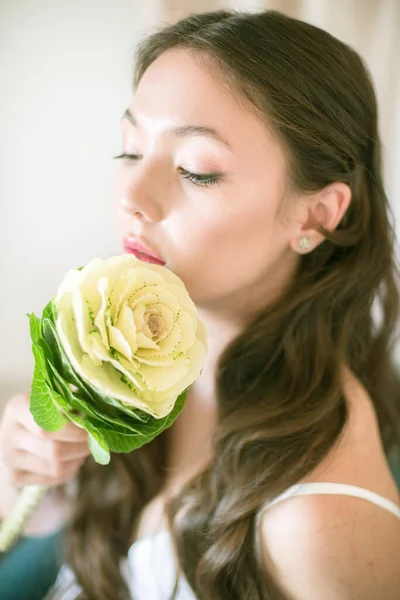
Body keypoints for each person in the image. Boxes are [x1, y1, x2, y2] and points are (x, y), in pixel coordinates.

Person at [1, 8, 400, 600]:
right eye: (130, 151)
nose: (133, 197)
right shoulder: (130, 364)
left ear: (315, 215)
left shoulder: (316, 526)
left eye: (197, 171)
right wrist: (23, 491)